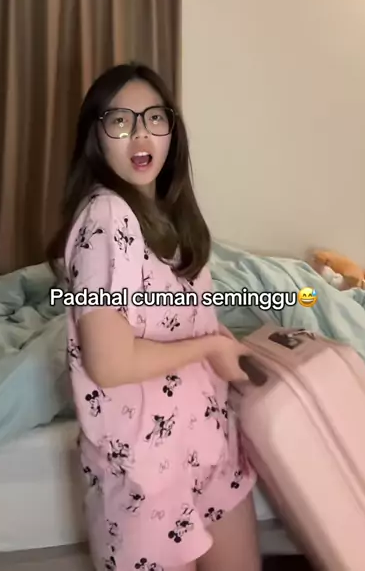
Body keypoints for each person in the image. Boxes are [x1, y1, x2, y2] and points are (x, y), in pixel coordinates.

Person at [48, 63, 261, 571]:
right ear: (96, 136)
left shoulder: (171, 215)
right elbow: (109, 363)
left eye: (155, 118)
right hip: (145, 472)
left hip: (208, 445)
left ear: (171, 130)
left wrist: (231, 349)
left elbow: (183, 320)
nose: (141, 134)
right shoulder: (105, 216)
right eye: (121, 121)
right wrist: (210, 348)